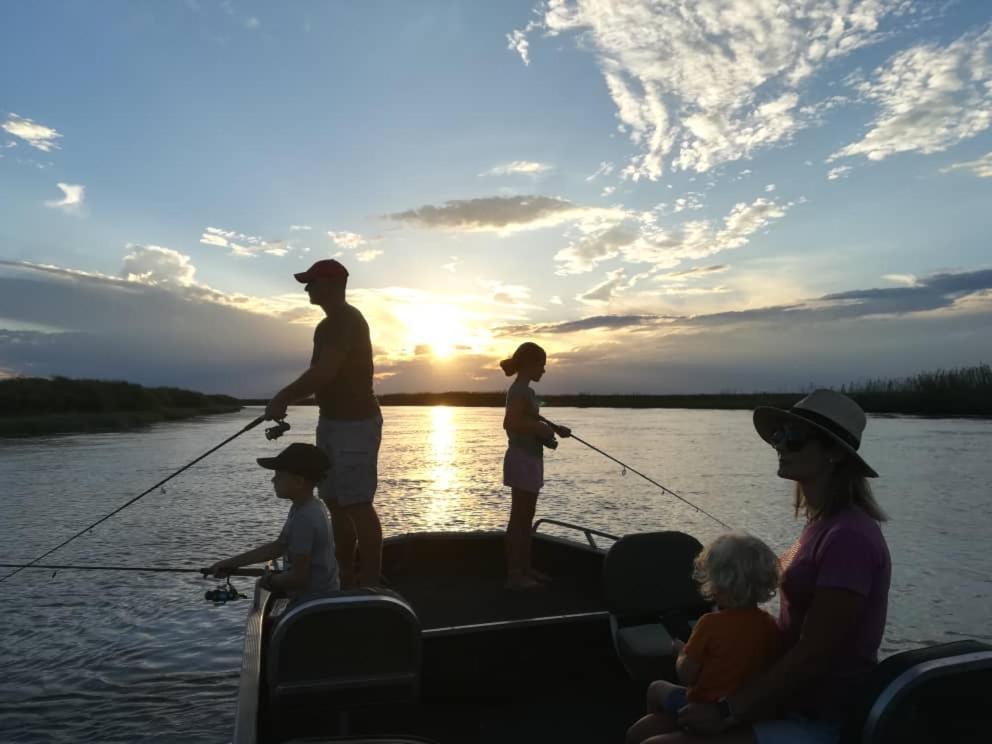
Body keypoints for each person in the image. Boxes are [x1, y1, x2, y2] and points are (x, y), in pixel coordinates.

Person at [655, 389, 891, 744]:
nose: (780, 445)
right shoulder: (818, 526)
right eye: (779, 434)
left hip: (824, 717)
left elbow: (814, 652)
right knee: (647, 726)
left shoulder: (849, 538)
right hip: (784, 698)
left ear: (834, 454)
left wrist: (726, 710)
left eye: (794, 437)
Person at [265, 259, 383, 588]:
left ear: (331, 285)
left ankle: (371, 584)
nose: (306, 288)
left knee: (358, 504)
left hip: (356, 424)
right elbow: (323, 379)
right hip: (331, 421)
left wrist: (284, 395)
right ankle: (345, 577)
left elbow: (325, 371)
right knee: (334, 502)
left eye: (312, 282)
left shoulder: (343, 320)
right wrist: (290, 398)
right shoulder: (326, 326)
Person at [626, 532, 782, 744]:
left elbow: (686, 676)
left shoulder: (709, 624)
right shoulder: (770, 624)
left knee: (655, 690)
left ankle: (670, 721)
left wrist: (680, 652)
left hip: (704, 709)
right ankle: (668, 724)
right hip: (743, 713)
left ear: (717, 583)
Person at [205, 442, 340, 604]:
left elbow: (298, 578)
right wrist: (230, 563)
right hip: (317, 597)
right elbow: (279, 546)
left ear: (298, 481)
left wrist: (267, 582)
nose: (273, 480)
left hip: (314, 604)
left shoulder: (306, 517)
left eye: (279, 475)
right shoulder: (307, 506)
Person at [499, 342, 570, 590]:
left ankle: (524, 568)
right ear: (530, 364)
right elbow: (510, 423)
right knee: (519, 518)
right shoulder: (520, 391)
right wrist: (541, 429)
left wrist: (550, 433)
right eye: (542, 364)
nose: (544, 370)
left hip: (528, 457)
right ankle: (514, 575)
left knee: (526, 517)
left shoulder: (523, 391)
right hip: (522, 459)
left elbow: (525, 422)